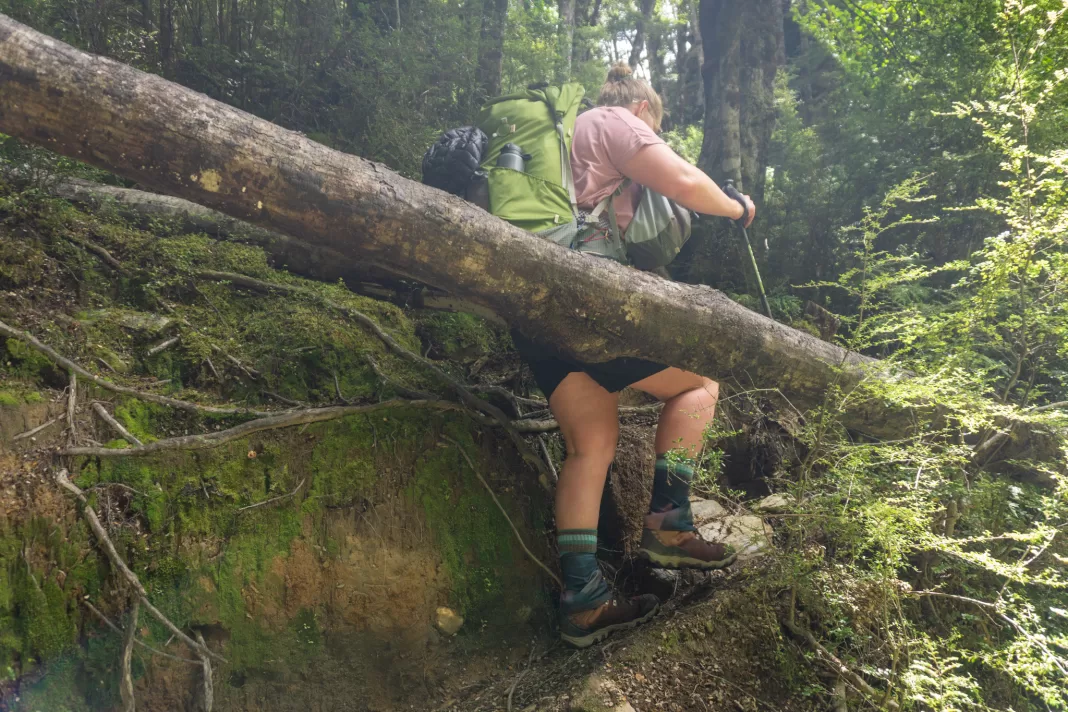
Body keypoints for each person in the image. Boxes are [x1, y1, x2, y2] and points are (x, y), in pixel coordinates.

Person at [510, 63, 757, 648]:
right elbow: (683, 181)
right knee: (700, 383)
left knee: (590, 445)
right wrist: (734, 207)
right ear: (645, 109)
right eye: (658, 123)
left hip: (531, 303)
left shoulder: (566, 133)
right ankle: (669, 527)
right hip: (583, 298)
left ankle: (583, 602)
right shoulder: (616, 121)